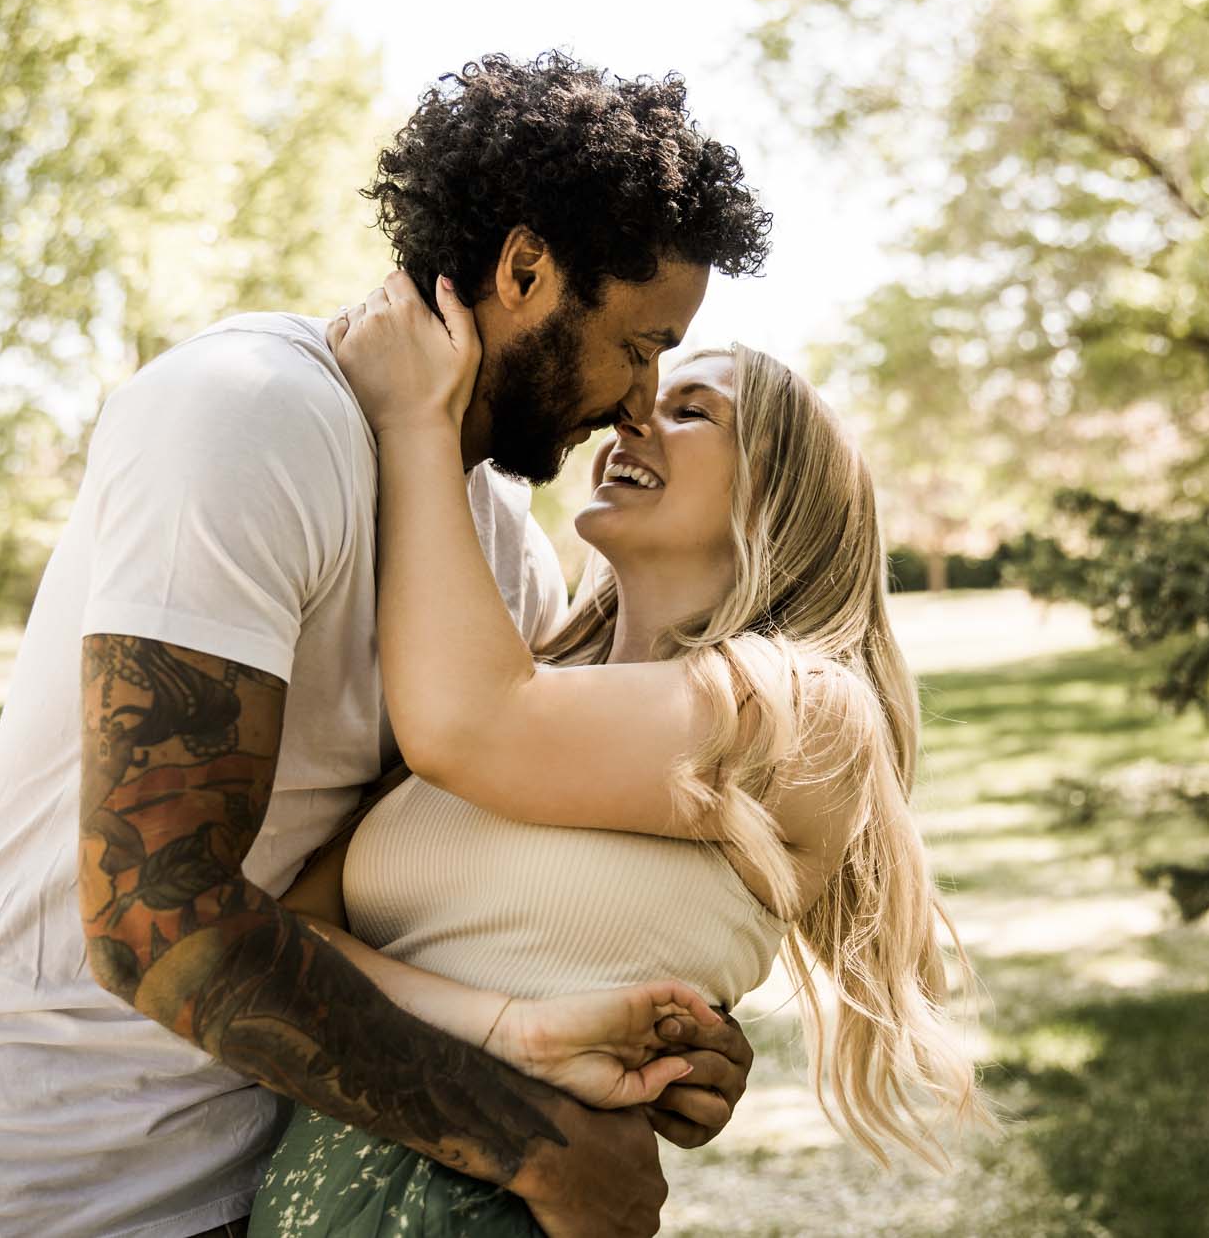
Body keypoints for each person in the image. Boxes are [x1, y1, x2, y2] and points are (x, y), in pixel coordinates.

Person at [0, 51, 774, 1238]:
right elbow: (154, 918)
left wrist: (652, 1039)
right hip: (22, 1177)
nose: (639, 401)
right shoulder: (246, 413)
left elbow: (466, 882)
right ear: (525, 269)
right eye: (639, 346)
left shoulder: (489, 540)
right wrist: (534, 1148)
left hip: (273, 1176)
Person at [237, 276, 994, 1235]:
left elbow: (469, 724)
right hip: (320, 1198)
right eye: (644, 392)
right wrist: (515, 1031)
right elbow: (283, 941)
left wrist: (416, 418)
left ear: (778, 494)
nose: (632, 418)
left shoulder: (806, 713)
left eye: (690, 409)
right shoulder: (535, 681)